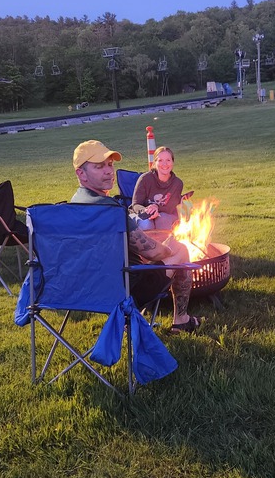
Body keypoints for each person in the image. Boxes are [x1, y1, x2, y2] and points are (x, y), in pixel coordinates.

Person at [71, 140, 199, 333]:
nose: (109, 171)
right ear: (81, 173)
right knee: (180, 249)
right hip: (124, 291)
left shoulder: (75, 204)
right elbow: (154, 252)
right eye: (99, 166)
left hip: (89, 288)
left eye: (110, 165)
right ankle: (181, 320)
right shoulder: (109, 210)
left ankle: (133, 319)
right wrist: (168, 247)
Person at [132, 146, 187, 231]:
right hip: (144, 214)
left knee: (163, 220)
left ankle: (165, 240)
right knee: (146, 223)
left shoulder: (177, 183)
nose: (164, 164)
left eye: (168, 160)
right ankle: (144, 240)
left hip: (164, 216)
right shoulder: (145, 179)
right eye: (160, 160)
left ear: (172, 162)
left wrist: (156, 207)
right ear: (155, 163)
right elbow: (135, 205)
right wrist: (147, 210)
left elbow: (170, 208)